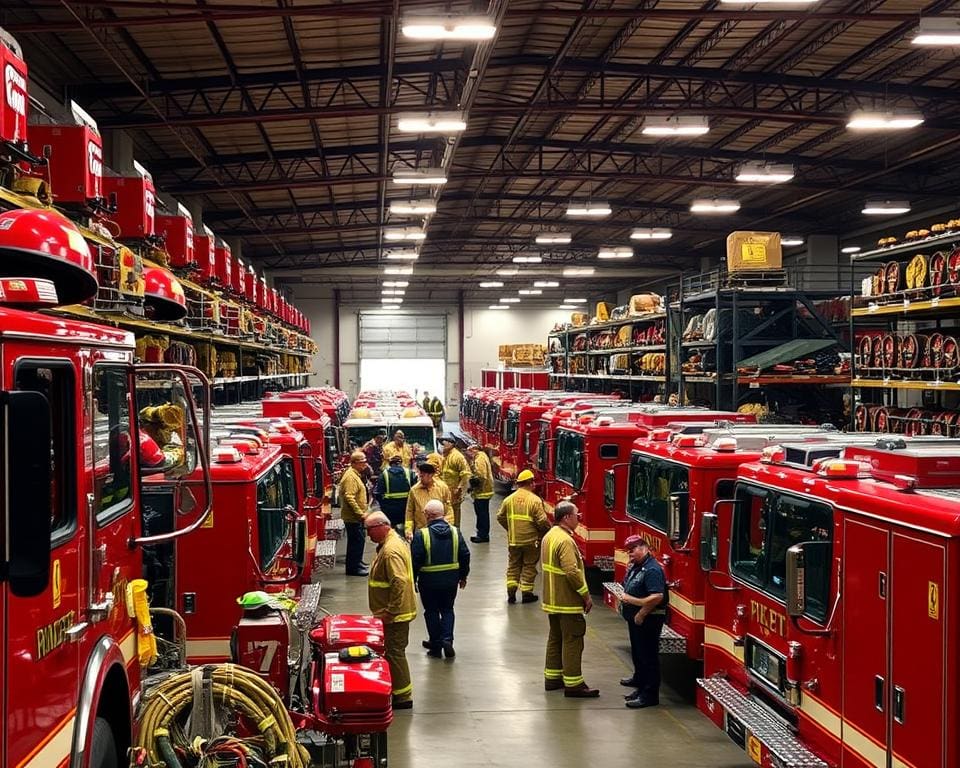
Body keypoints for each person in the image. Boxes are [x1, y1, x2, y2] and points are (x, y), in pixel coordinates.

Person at [541, 501, 598, 698]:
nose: (578, 518)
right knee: (573, 640)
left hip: (552, 600)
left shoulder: (550, 536)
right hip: (567, 602)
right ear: (566, 517)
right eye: (576, 515)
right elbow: (571, 571)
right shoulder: (565, 541)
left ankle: (552, 678)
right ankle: (574, 684)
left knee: (555, 638)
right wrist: (586, 595)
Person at [365, 511, 416, 709]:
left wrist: (391, 611)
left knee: (395, 653)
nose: (368, 535)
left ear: (380, 526)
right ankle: (397, 691)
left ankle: (403, 697)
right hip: (392, 613)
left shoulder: (390, 551)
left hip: (395, 615)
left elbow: (399, 581)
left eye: (369, 530)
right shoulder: (391, 543)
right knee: (393, 652)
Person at [411, 499, 470, 658]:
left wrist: (413, 580)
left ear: (427, 515)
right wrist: (463, 576)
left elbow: (415, 559)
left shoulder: (421, 535)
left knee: (431, 611)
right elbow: (465, 554)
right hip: (450, 580)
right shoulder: (455, 532)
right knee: (447, 610)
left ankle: (436, 645)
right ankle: (447, 640)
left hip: (428, 581)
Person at [619, 536, 667, 708]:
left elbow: (657, 596)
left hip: (648, 620)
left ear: (644, 548)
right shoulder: (638, 566)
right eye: (628, 551)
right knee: (639, 655)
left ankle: (649, 695)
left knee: (648, 657)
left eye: (632, 550)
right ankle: (640, 687)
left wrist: (640, 610)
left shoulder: (652, 570)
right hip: (636, 620)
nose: (629, 554)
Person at [496, 469, 550, 603]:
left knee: (513, 565)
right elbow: (542, 521)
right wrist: (544, 532)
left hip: (514, 541)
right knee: (529, 566)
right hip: (531, 541)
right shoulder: (535, 500)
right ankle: (526, 593)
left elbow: (500, 517)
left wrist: (510, 528)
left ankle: (511, 592)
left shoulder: (509, 500)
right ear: (530, 482)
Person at [338, 451, 370, 576]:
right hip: (353, 517)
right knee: (356, 542)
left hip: (355, 517)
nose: (365, 465)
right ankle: (353, 568)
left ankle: (358, 562)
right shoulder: (351, 477)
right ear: (354, 463)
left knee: (359, 541)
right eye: (362, 462)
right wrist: (360, 513)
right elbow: (349, 497)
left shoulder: (355, 474)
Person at [405, 461, 454, 539]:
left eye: (423, 475)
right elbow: (409, 512)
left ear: (431, 475)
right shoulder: (414, 490)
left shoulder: (442, 488)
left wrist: (448, 524)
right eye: (420, 475)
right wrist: (408, 530)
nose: (420, 477)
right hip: (422, 531)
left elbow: (449, 508)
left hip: (440, 531)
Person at [439, 435, 472, 527]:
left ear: (451, 444)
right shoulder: (446, 456)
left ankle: (456, 532)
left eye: (444, 443)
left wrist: (459, 488)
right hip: (445, 492)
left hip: (454, 492)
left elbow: (466, 474)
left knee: (455, 514)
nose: (442, 445)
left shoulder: (457, 457)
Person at [376, 454, 414, 534]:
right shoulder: (409, 473)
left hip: (390, 508)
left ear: (390, 463)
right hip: (406, 507)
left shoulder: (384, 474)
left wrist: (383, 506)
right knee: (407, 530)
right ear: (401, 463)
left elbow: (378, 493)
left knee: (390, 532)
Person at [466, 443, 494, 543]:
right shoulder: (481, 456)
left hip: (482, 491)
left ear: (474, 450)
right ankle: (481, 533)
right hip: (483, 490)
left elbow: (481, 475)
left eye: (469, 452)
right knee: (482, 513)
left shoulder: (479, 459)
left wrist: (473, 485)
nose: (469, 455)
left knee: (482, 514)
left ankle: (483, 535)